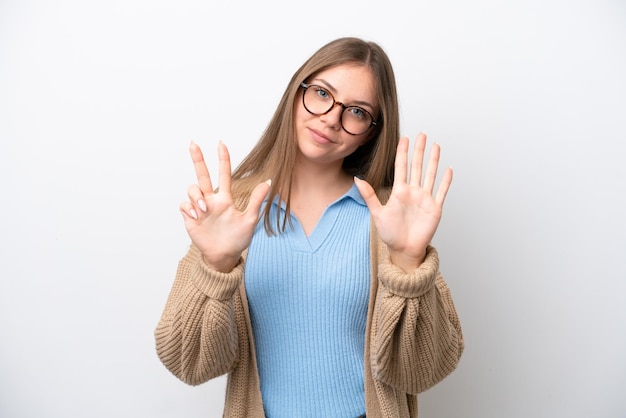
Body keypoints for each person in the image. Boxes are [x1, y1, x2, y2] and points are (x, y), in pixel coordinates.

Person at [155, 36, 464, 418]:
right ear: (295, 94)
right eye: (321, 93)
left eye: (356, 112)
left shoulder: (389, 219)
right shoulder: (233, 211)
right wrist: (217, 266)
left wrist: (407, 261)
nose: (331, 117)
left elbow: (423, 371)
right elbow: (186, 362)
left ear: (371, 130)